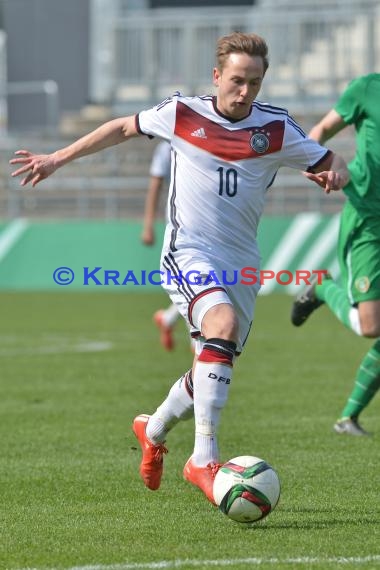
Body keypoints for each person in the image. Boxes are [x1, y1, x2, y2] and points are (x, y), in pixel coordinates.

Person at [10, 32, 349, 504]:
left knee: (212, 363)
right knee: (222, 325)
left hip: (241, 263)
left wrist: (334, 172)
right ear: (217, 76)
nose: (244, 91)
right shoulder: (182, 113)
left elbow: (331, 161)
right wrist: (57, 158)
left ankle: (153, 427)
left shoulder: (276, 129)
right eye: (236, 80)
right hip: (187, 251)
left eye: (254, 82)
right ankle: (203, 461)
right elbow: (121, 127)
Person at [291, 73, 380, 437]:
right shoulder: (367, 89)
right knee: (371, 326)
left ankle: (348, 418)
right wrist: (314, 163)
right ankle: (324, 289)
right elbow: (323, 128)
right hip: (368, 219)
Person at [141, 139, 181, 351]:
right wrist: (148, 225)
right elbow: (155, 183)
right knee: (206, 280)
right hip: (181, 226)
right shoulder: (168, 145)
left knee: (216, 281)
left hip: (215, 224)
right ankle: (199, 342)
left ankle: (168, 319)